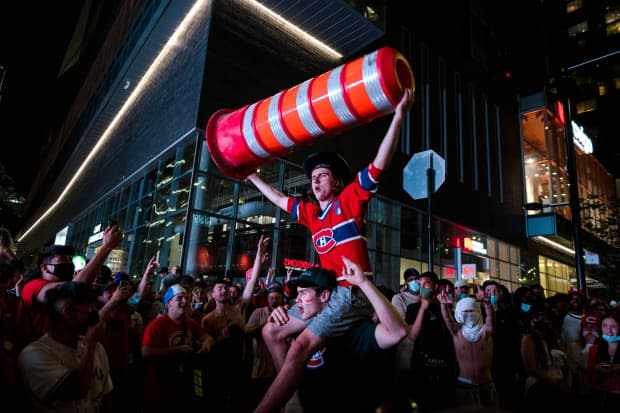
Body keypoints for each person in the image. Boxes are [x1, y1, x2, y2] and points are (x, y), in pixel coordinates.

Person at [247, 88, 413, 413]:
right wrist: (251, 175)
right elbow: (279, 199)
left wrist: (398, 116)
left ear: (335, 183)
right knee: (271, 330)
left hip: (353, 292)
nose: (315, 181)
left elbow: (380, 162)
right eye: (312, 178)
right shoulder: (311, 214)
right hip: (329, 293)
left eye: (322, 176)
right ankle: (295, 397)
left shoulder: (349, 202)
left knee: (300, 349)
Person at [268, 256, 407, 412]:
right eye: (297, 293)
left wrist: (364, 283)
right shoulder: (299, 329)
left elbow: (397, 332)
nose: (298, 299)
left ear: (325, 296)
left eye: (304, 293)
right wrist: (277, 317)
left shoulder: (354, 329)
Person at [18, 225, 124, 345]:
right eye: (62, 259)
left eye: (70, 260)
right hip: (37, 354)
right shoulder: (33, 286)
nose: (69, 264)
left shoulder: (69, 281)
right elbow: (74, 289)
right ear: (45, 268)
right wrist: (106, 247)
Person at [18, 282, 112, 412]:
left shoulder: (97, 348)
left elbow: (105, 395)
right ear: (67, 312)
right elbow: (77, 390)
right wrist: (90, 344)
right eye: (89, 305)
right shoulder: (34, 354)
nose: (95, 311)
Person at [438, 287, 497, 409]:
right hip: (463, 385)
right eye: (465, 311)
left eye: (472, 310)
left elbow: (491, 319)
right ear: (459, 313)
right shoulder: (457, 331)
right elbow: (447, 319)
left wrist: (486, 303)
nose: (469, 314)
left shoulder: (486, 331)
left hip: (486, 385)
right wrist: (443, 305)